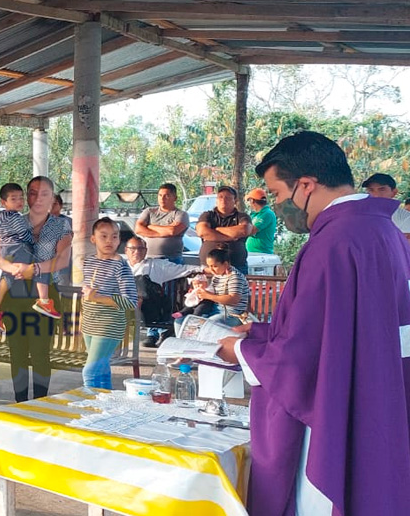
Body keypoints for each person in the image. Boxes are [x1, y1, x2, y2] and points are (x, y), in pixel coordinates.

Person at [215, 131, 410, 516]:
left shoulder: (332, 242)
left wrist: (239, 349)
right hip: (380, 393)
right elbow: (346, 328)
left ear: (306, 185)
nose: (276, 204)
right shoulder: (387, 232)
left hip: (334, 409)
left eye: (275, 193)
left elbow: (302, 357)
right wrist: (258, 331)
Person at [0, 176, 73, 402]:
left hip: (44, 296)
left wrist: (33, 269)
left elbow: (63, 260)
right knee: (16, 352)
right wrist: (13, 268)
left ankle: (40, 403)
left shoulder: (61, 224)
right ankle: (21, 403)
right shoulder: (14, 220)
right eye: (32, 193)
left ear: (52, 197)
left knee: (39, 353)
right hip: (14, 293)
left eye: (44, 193)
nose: (37, 198)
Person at [79, 217, 138, 390]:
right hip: (90, 324)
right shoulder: (89, 261)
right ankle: (106, 408)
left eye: (114, 237)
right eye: (103, 236)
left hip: (109, 325)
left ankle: (89, 408)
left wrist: (96, 298)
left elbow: (130, 301)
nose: (109, 241)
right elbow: (88, 293)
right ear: (93, 239)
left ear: (119, 239)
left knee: (89, 372)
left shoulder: (121, 266)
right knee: (102, 370)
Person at [0, 182, 58, 322]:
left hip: (6, 249)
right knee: (40, 263)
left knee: (6, 279)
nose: (19, 201)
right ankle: (44, 300)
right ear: (4, 202)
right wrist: (33, 241)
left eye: (21, 198)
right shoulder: (17, 218)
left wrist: (4, 238)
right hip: (19, 248)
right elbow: (24, 235)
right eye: (14, 199)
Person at [124, 237, 203, 348]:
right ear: (126, 250)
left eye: (140, 248)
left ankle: (158, 332)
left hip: (149, 309)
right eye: (133, 249)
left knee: (143, 281)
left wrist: (206, 270)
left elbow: (185, 269)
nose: (137, 252)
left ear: (146, 251)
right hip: (125, 307)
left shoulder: (156, 265)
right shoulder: (120, 266)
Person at [174, 248, 249, 327]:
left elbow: (233, 299)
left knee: (208, 324)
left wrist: (208, 296)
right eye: (209, 266)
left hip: (231, 315)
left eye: (215, 266)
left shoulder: (235, 277)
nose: (211, 270)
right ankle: (185, 339)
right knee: (180, 321)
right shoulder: (218, 275)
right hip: (213, 311)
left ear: (226, 264)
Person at [196, 185, 254, 272]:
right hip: (209, 269)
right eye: (220, 197)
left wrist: (216, 229)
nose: (223, 200)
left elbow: (244, 230)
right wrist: (231, 237)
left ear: (235, 201)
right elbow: (202, 231)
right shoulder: (207, 215)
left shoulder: (242, 217)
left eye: (228, 198)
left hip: (236, 268)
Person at [134, 183, 189, 264]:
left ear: (175, 198)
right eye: (160, 195)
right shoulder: (149, 211)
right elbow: (138, 229)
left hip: (172, 259)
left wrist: (150, 226)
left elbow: (172, 231)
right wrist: (163, 233)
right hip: (149, 259)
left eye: (166, 195)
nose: (162, 198)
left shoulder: (181, 214)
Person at [362, 173, 410, 241]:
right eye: (371, 190)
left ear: (394, 192)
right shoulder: (361, 217)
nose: (376, 195)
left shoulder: (406, 218)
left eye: (382, 189)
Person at [245, 188, 278, 254]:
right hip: (252, 253)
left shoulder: (267, 214)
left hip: (262, 253)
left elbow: (250, 231)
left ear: (252, 201)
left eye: (249, 201)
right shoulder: (254, 215)